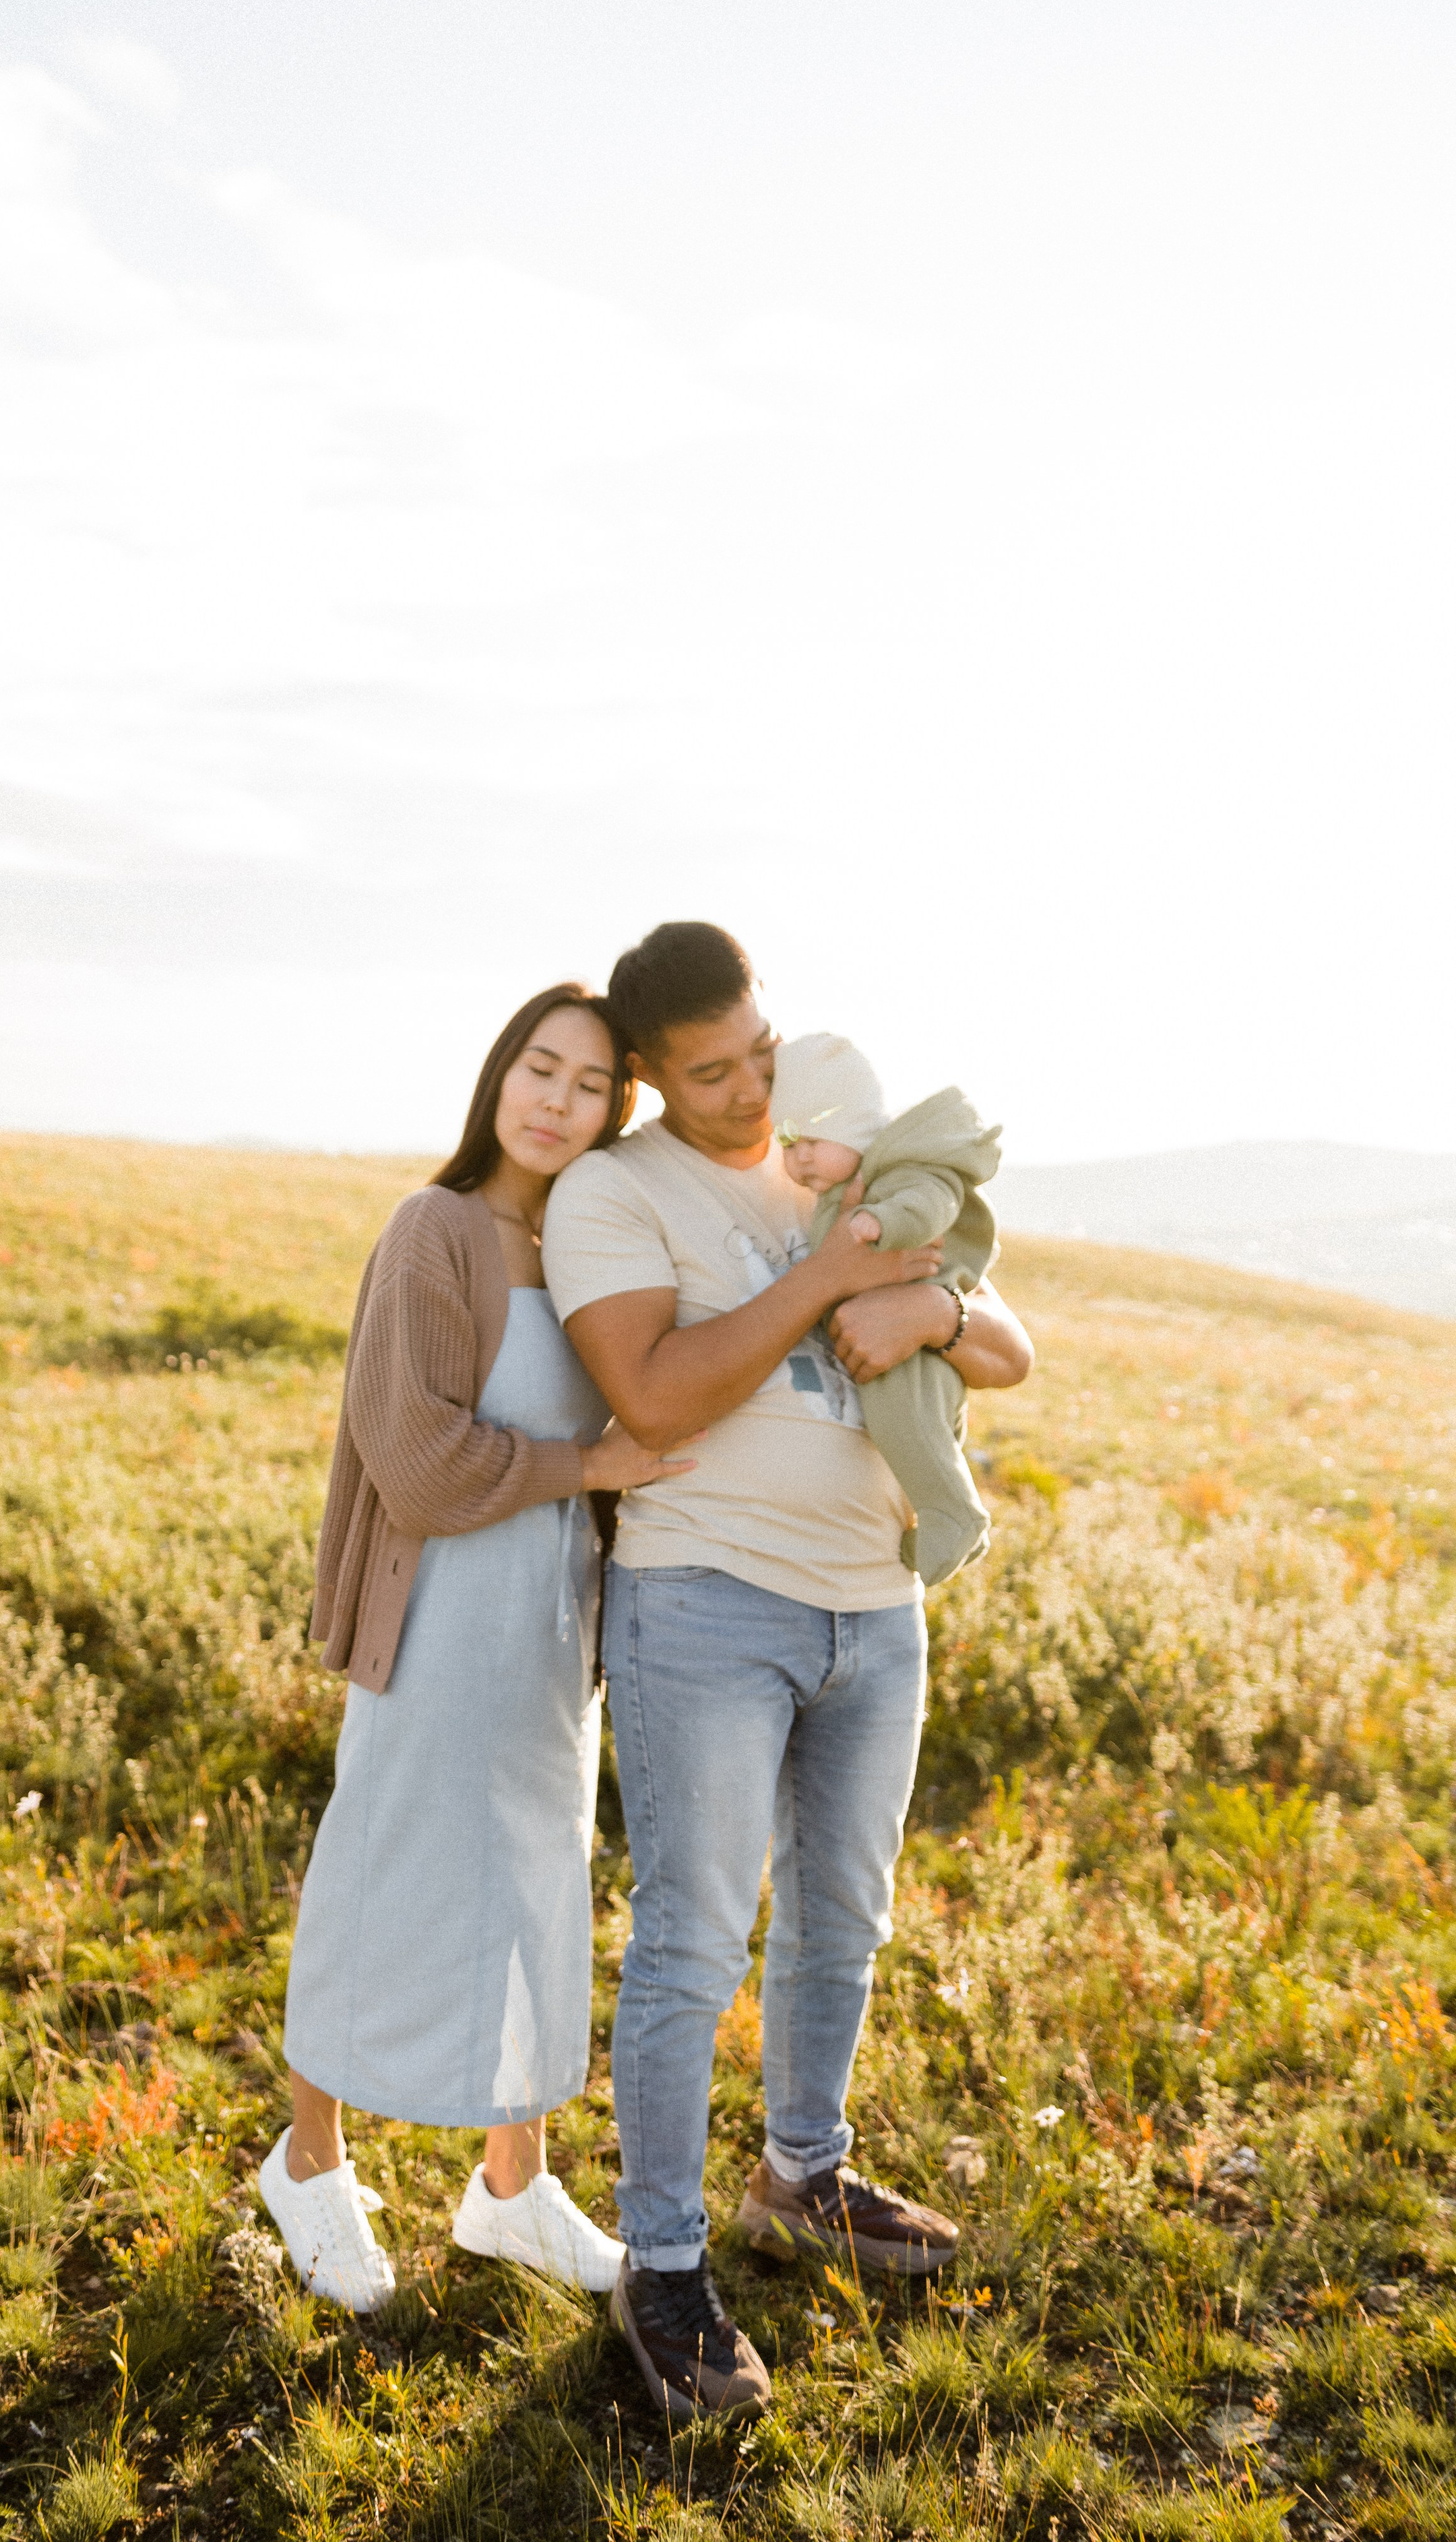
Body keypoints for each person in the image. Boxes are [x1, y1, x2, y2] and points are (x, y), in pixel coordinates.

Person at [540, 924, 1034, 2422]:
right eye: (711, 1072)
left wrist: (934, 1308)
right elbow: (654, 1384)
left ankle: (801, 2180)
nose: (751, 1086)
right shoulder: (611, 1192)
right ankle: (667, 2265)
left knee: (843, 1918)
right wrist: (826, 1277)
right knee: (692, 1941)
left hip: (874, 1608)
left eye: (759, 1048)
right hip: (705, 1604)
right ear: (646, 1077)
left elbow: (1003, 1333)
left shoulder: (827, 1150)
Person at [261, 982, 695, 2312]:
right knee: (381, 1876)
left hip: (550, 1638)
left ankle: (512, 2191)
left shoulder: (588, 1244)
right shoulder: (432, 1231)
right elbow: (420, 1465)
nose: (557, 1102)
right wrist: (587, 1461)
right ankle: (308, 2164)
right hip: (438, 1619)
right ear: (498, 1073)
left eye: (589, 1087)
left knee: (535, 1893)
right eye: (539, 1069)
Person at [769, 1031, 1004, 1587]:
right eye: (786, 1140)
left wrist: (884, 1223)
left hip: (909, 1343)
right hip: (899, 1342)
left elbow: (932, 1201)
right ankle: (953, 1515)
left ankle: (956, 1514)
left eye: (814, 1138)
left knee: (907, 1425)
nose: (799, 1157)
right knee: (925, 1432)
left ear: (854, 1125)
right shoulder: (844, 1187)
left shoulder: (898, 1170)